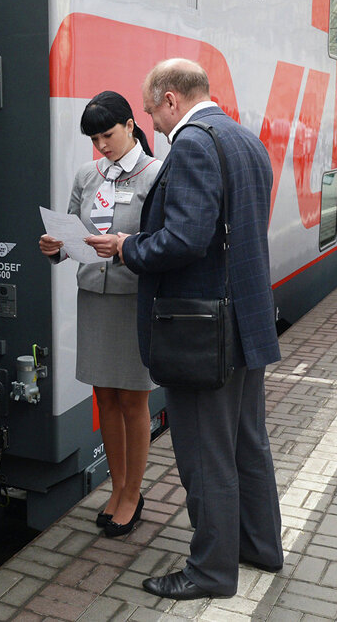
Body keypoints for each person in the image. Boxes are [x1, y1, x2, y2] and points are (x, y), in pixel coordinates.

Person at [87, 58, 282, 600]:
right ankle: (261, 546)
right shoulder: (244, 138)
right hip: (244, 321)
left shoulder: (194, 142)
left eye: (150, 112)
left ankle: (211, 572)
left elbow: (185, 240)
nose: (151, 123)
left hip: (203, 331)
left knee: (204, 454)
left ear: (171, 99)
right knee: (248, 443)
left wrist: (128, 247)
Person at [37, 91, 161, 538]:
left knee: (133, 398)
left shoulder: (156, 175)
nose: (102, 145)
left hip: (133, 300)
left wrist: (126, 249)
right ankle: (116, 485)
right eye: (94, 138)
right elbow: (71, 228)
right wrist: (54, 247)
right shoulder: (87, 175)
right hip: (93, 296)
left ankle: (133, 491)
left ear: (130, 125)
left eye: (107, 134)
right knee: (104, 397)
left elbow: (164, 242)